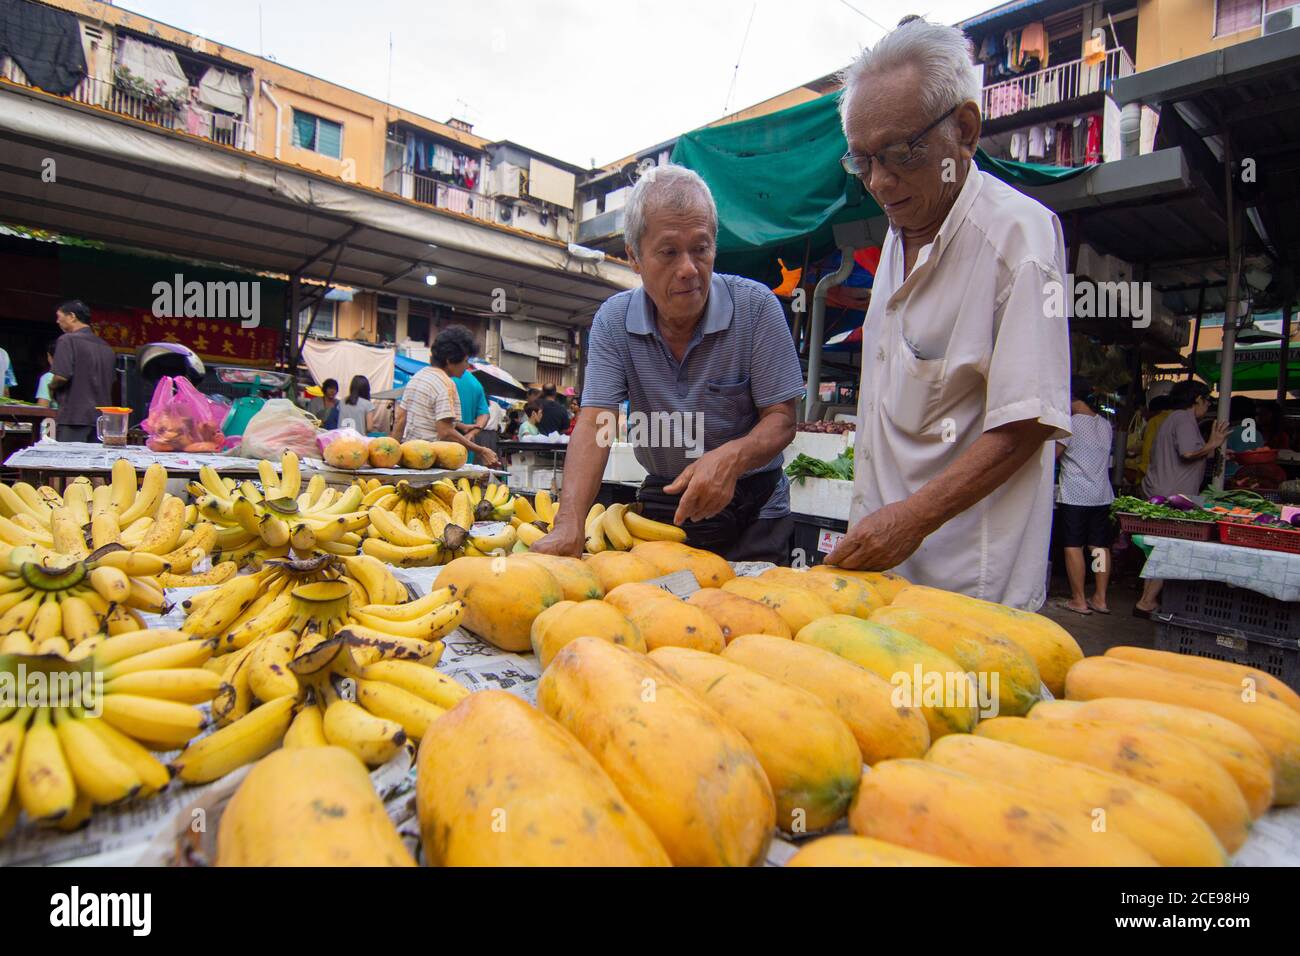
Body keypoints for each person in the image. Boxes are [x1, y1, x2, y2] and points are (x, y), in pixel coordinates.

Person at [827, 19, 1071, 610]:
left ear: (964, 129)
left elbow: (1028, 421)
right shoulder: (898, 230)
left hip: (968, 593)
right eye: (861, 161)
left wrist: (910, 519)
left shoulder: (1020, 237)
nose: (880, 182)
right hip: (881, 580)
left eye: (899, 154)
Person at [529, 164, 804, 564]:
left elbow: (782, 418)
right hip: (666, 501)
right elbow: (595, 424)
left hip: (755, 510)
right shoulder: (613, 321)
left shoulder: (756, 307)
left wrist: (731, 457)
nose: (689, 268)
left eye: (701, 248)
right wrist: (570, 522)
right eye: (669, 252)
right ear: (635, 258)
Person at [1135, 380, 1231, 616]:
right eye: (1207, 401)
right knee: (1168, 550)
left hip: (1164, 492)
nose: (1207, 406)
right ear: (1196, 399)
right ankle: (1146, 602)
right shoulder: (1184, 418)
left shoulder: (1173, 419)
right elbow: (1188, 453)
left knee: (1159, 550)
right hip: (1172, 497)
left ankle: (1146, 600)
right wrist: (1213, 444)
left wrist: (1209, 448)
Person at [392, 325, 499, 468]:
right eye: (466, 361)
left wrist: (391, 458)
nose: (467, 366)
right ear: (450, 360)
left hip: (410, 459)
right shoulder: (446, 384)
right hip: (430, 462)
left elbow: (401, 419)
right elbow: (445, 433)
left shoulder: (418, 376)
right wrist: (480, 450)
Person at [1054, 376, 1114, 615]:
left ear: (1070, 397)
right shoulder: (1105, 424)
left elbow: (1054, 457)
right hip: (1101, 494)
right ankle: (1100, 598)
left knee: (1073, 546)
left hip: (1075, 494)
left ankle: (1078, 599)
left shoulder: (1069, 424)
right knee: (1099, 547)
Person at [50, 300, 115, 442]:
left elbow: (61, 376)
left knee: (69, 461)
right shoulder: (106, 347)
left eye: (59, 316)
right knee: (94, 463)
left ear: (72, 316)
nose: (57, 321)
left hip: (75, 417)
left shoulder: (67, 340)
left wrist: (51, 386)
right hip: (102, 420)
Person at [452, 352, 491, 462]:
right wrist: (472, 433)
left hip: (440, 450)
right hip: (465, 450)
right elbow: (484, 414)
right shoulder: (475, 383)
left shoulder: (443, 379)